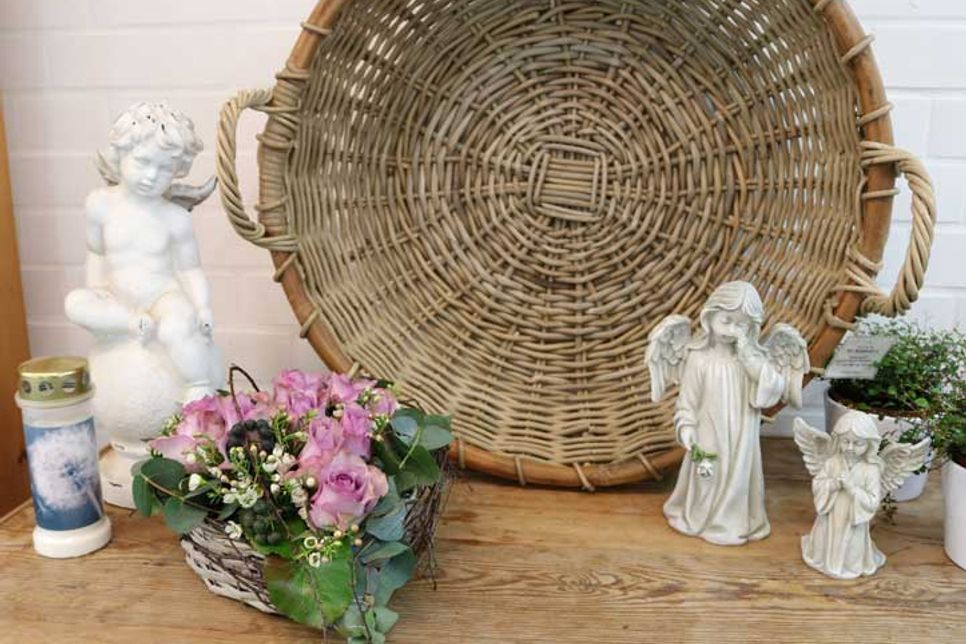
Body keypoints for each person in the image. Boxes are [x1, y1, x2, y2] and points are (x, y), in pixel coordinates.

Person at [65, 102, 222, 401]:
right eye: (142, 162)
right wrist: (96, 289)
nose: (151, 175)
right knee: (75, 302)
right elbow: (96, 252)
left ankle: (198, 383)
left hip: (162, 295)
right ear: (120, 154)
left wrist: (203, 308)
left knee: (177, 327)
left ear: (178, 170)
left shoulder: (175, 217)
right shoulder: (100, 204)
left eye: (165, 169)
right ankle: (129, 323)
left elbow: (190, 269)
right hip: (117, 298)